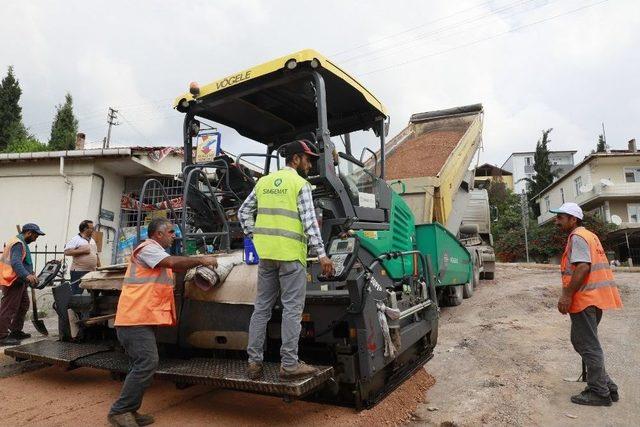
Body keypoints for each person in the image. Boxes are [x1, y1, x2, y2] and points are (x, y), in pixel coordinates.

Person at [238, 139, 335, 380]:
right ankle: (289, 364)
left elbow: (242, 213)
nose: (310, 165)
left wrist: (256, 236)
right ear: (295, 159)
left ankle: (253, 363)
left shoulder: (263, 182)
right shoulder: (299, 184)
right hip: (291, 256)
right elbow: (310, 222)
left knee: (261, 309)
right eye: (308, 159)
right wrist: (322, 256)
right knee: (292, 310)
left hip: (267, 255)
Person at [108, 218, 218, 427]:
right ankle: (120, 411)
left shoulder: (157, 253)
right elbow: (174, 263)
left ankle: (129, 410)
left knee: (139, 364)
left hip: (140, 318)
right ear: (157, 234)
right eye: (170, 231)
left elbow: (172, 269)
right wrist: (201, 260)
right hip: (134, 318)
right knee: (147, 362)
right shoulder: (148, 249)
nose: (173, 235)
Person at [552, 203, 623, 406]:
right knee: (582, 342)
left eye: (561, 217)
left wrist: (566, 295)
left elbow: (582, 267)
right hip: (595, 297)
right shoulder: (589, 235)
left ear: (573, 219)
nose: (557, 221)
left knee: (587, 345)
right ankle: (607, 386)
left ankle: (599, 392)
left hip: (585, 298)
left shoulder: (578, 237)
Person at [0, 223, 45, 346]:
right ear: (29, 233)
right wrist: (27, 275)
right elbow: (16, 262)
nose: (36, 239)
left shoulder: (22, 242)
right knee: (9, 307)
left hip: (20, 281)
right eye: (36, 235)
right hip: (13, 280)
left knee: (24, 304)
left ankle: (15, 330)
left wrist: (30, 272)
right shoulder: (18, 243)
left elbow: (24, 261)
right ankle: (2, 335)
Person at [64, 220, 100, 294]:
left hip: (92, 271)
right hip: (78, 272)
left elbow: (96, 255)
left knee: (94, 293)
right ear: (85, 229)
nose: (93, 230)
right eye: (92, 228)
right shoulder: (76, 239)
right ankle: (74, 305)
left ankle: (91, 305)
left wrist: (99, 268)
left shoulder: (92, 240)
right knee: (76, 293)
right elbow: (66, 252)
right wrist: (82, 251)